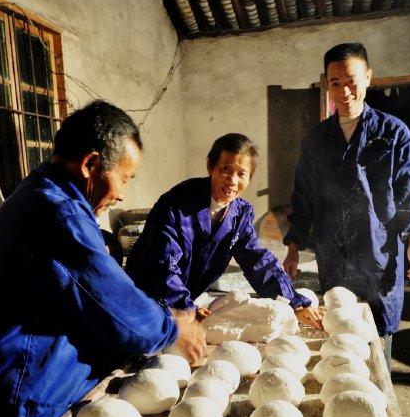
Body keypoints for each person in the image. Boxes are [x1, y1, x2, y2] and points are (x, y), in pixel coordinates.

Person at [0, 100, 205, 417]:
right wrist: (172, 328)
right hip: (17, 392)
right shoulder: (62, 214)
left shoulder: (34, 191)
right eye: (125, 178)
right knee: (116, 344)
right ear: (90, 164)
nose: (122, 195)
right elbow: (116, 308)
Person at [283, 43, 410, 367]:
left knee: (379, 338)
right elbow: (302, 197)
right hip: (333, 255)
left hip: (379, 254)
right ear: (327, 84)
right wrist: (293, 247)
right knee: (341, 334)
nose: (344, 91)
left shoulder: (393, 133)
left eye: (351, 81)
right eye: (335, 83)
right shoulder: (315, 140)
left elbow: (409, 192)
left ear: (368, 77)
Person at [126, 133, 324, 328]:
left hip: (180, 307)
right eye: (225, 170)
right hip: (142, 301)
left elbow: (257, 262)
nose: (232, 181)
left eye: (241, 174)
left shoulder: (240, 214)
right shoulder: (178, 203)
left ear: (250, 178)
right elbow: (163, 264)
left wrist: (294, 303)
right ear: (210, 167)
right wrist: (186, 308)